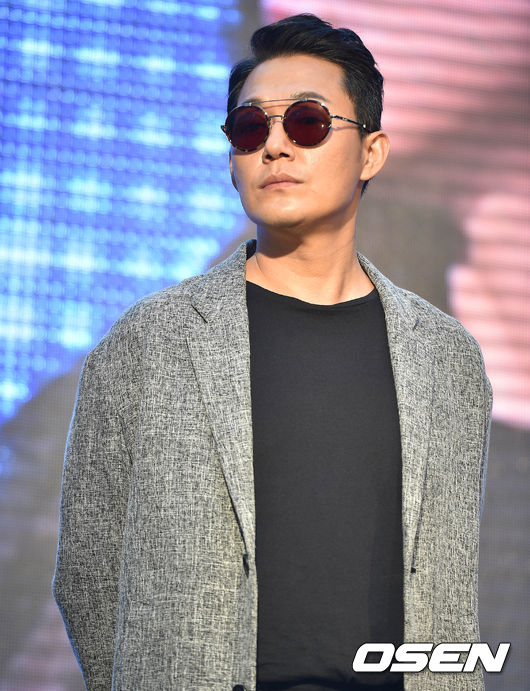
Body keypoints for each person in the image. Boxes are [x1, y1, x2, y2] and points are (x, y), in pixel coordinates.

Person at [52, 13, 492, 691]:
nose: (276, 146)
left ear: (371, 152)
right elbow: (87, 570)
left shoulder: (447, 360)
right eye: (250, 128)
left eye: (308, 122)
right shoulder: (150, 340)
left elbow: (446, 586)